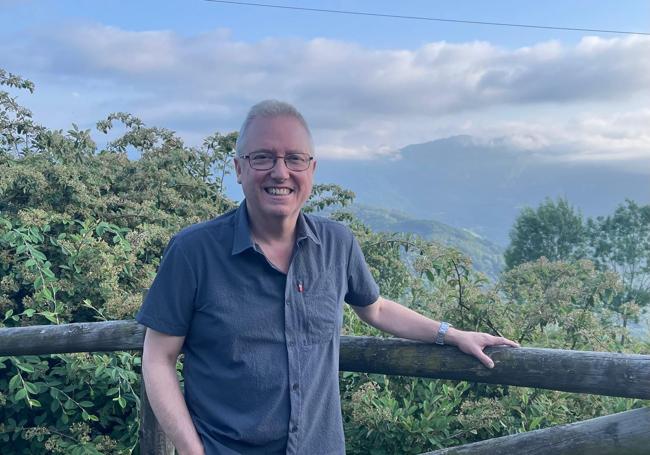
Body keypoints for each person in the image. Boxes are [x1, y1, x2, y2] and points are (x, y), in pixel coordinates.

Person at [136, 100, 519, 455]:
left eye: (294, 159)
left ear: (312, 170)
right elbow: (157, 358)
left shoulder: (337, 243)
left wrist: (451, 334)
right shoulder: (193, 252)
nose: (280, 172)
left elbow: (377, 308)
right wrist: (192, 450)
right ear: (239, 168)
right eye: (263, 157)